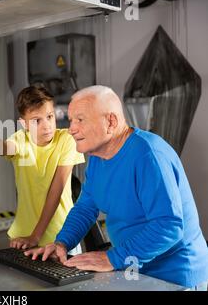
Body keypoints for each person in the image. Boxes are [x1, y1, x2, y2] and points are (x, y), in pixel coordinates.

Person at [25, 85, 208, 290]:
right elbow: (86, 208)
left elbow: (168, 227)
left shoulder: (148, 156)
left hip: (174, 276)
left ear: (110, 121)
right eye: (70, 120)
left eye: (80, 120)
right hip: (133, 270)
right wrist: (62, 243)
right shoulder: (97, 157)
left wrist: (112, 258)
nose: (71, 129)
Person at [0, 86, 85, 249]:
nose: (47, 126)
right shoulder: (21, 139)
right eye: (37, 120)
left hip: (61, 238)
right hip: (23, 237)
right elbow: (8, 147)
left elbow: (55, 192)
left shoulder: (66, 140)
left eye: (50, 116)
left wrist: (35, 237)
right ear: (24, 124)